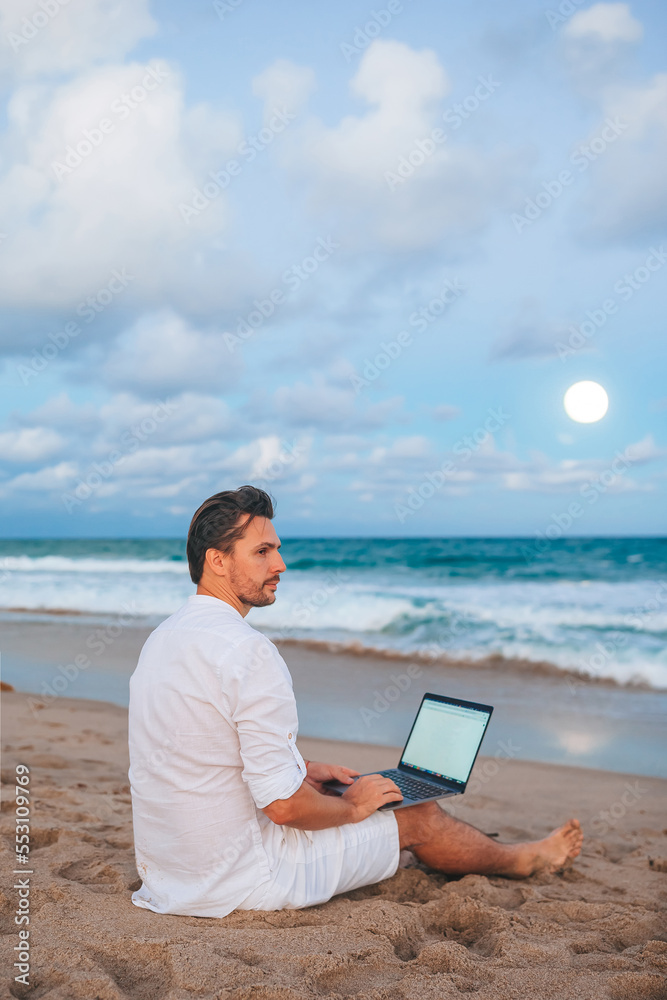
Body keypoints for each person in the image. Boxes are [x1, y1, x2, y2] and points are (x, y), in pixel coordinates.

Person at [128, 485, 583, 918]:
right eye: (262, 552)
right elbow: (283, 809)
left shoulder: (162, 638)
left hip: (169, 874)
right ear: (218, 561)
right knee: (418, 814)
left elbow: (199, 746)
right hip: (241, 878)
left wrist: (301, 770)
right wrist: (353, 807)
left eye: (278, 549)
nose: (280, 564)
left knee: (326, 790)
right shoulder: (248, 651)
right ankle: (523, 859)